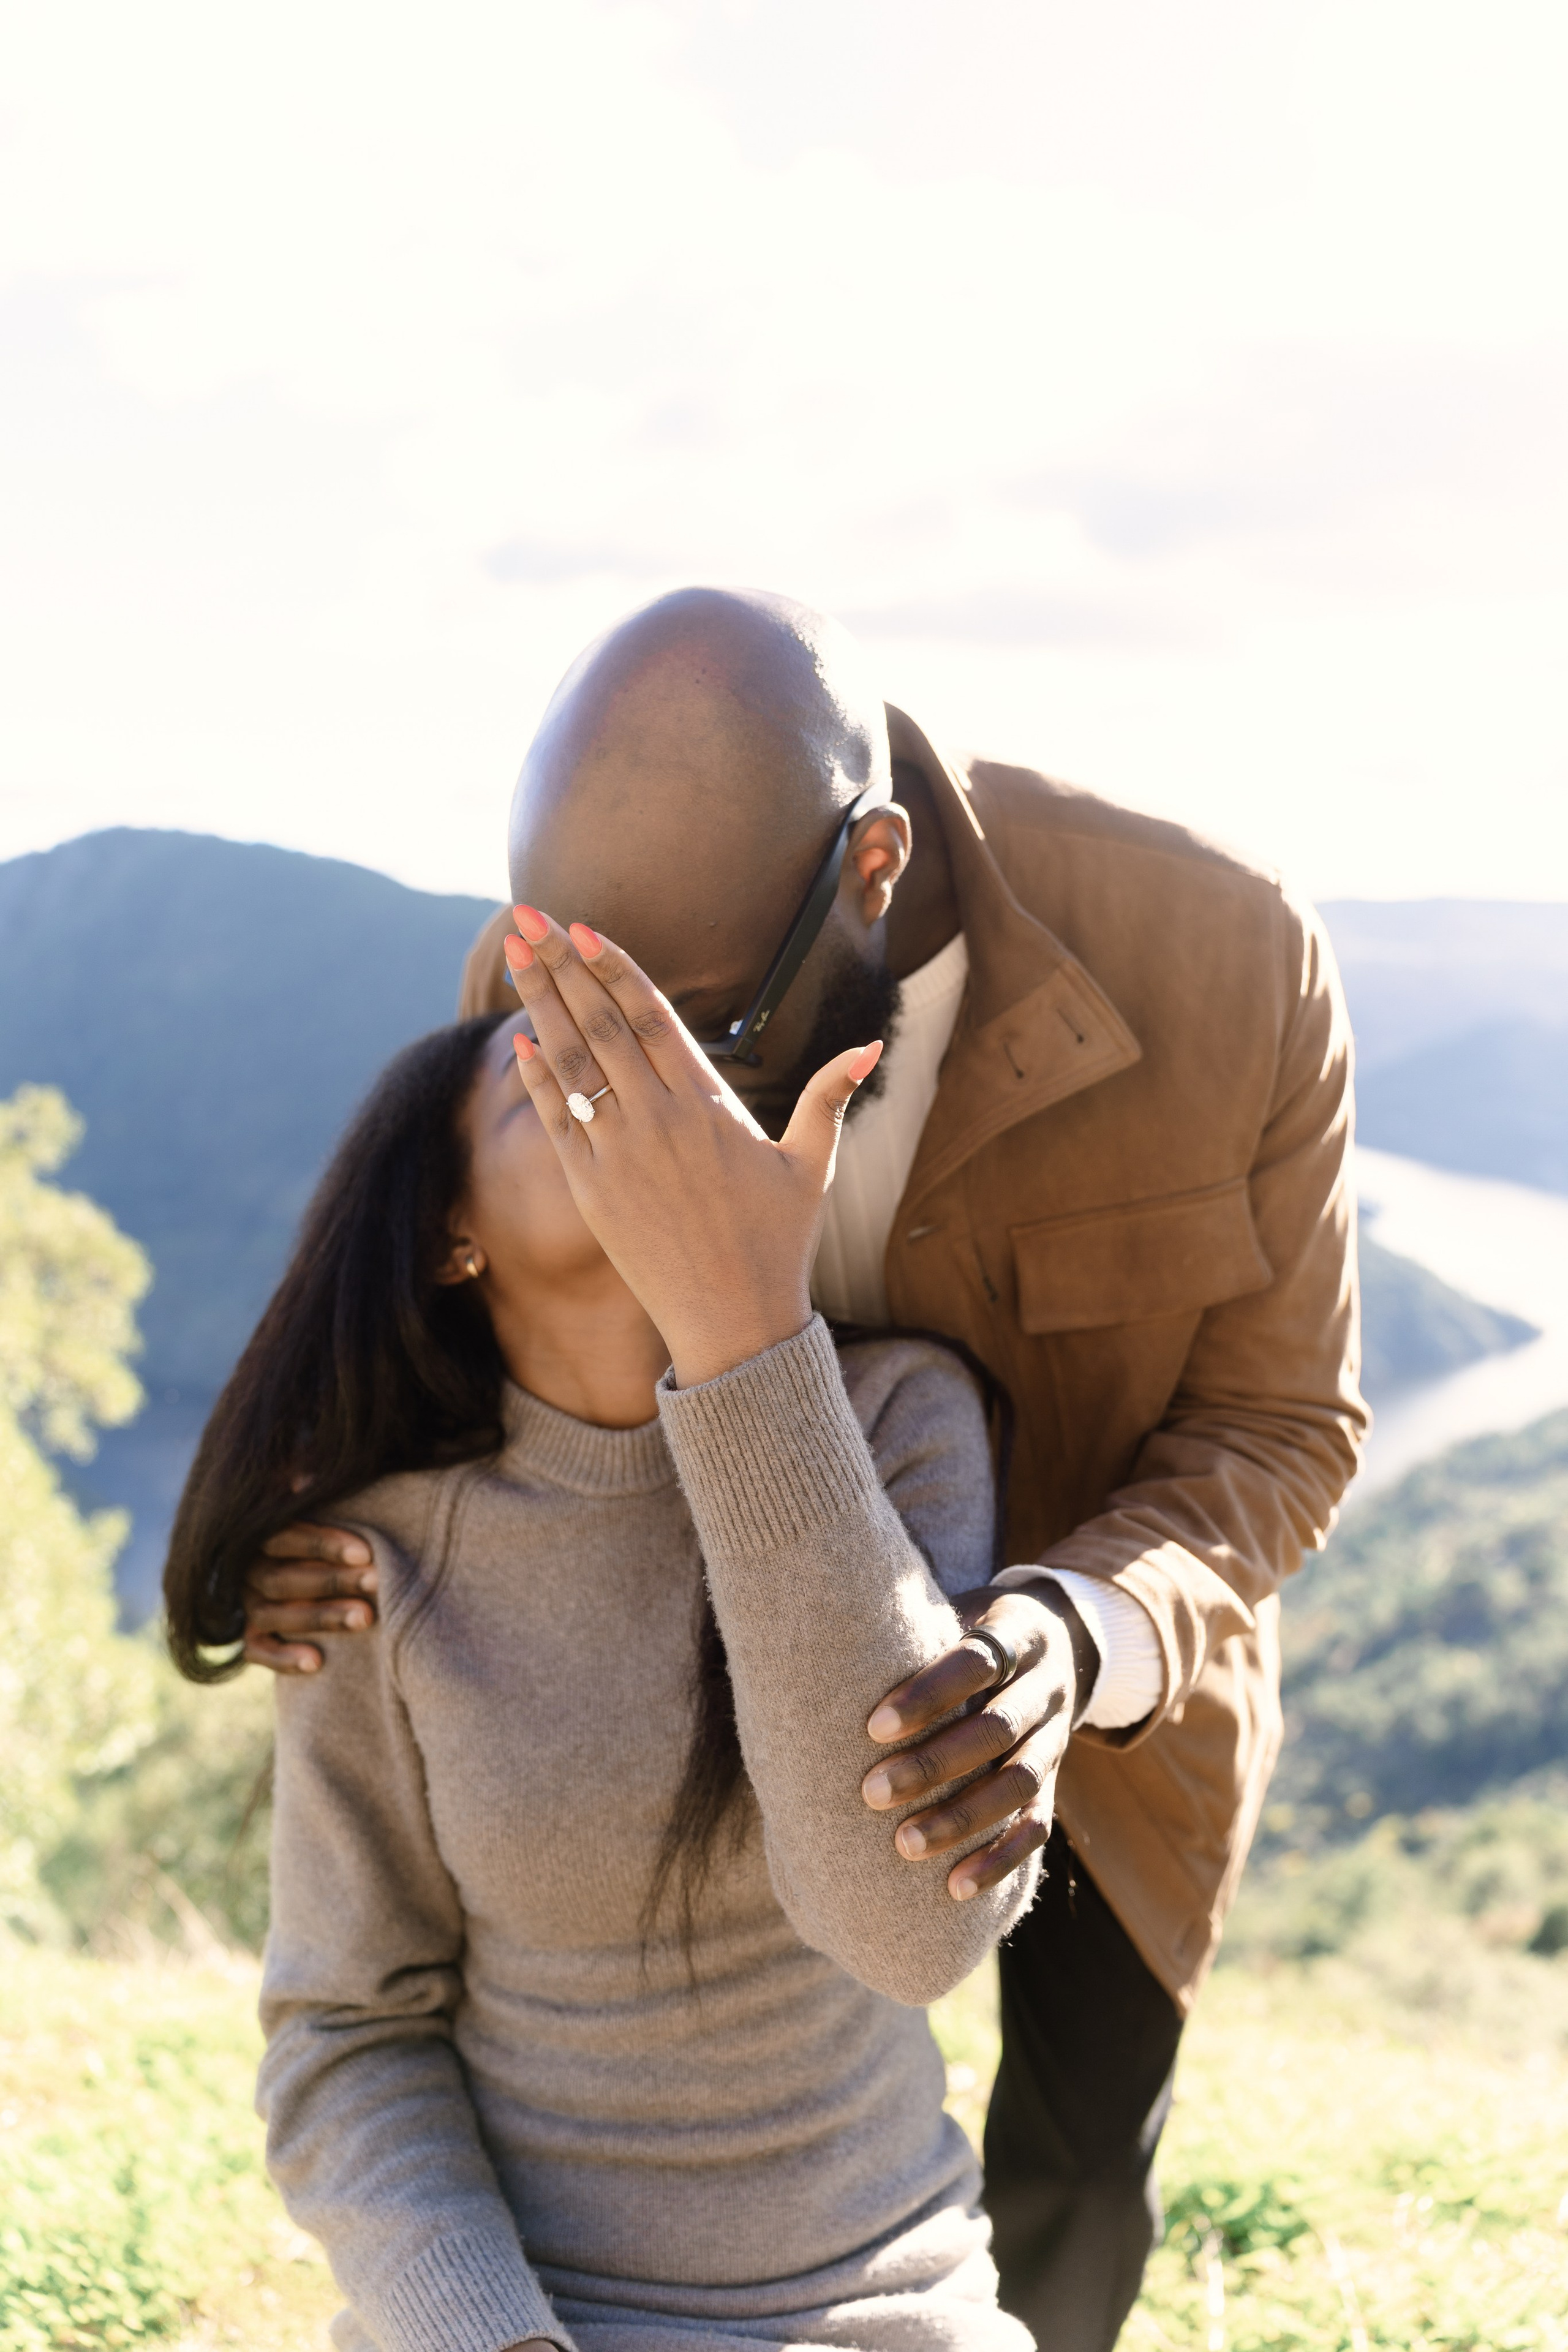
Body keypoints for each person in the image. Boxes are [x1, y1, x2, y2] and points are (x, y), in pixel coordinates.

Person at [241, 588, 1366, 2351]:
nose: (640, 1085)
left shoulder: (1220, 950)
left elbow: (1288, 1426)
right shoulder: (565, 986)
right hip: (668, 1682)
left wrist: (1069, 1637)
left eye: (692, 1025)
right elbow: (451, 1314)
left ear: (874, 866)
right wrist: (310, 1537)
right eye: (571, 1016)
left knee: (1070, 2177)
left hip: (1095, 1672)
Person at [165, 943, 1049, 2352]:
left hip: (884, 2311)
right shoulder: (363, 1564)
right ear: (451, 1235)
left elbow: (910, 1930)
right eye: (544, 1083)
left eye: (655, 1067)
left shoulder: (892, 1421)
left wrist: (745, 1342)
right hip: (529, 2320)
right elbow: (344, 2032)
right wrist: (492, 2336)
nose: (621, 1100)